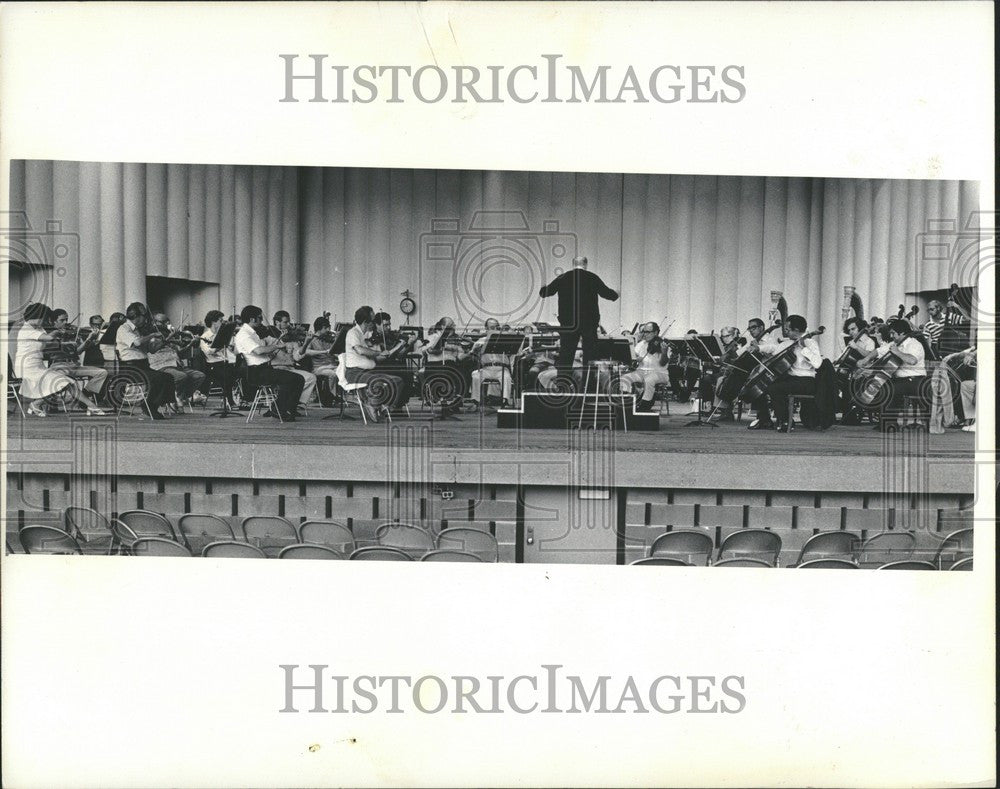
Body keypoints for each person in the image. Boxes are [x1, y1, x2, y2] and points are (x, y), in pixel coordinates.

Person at [14, 303, 105, 416]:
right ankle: (92, 406)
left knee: (67, 383)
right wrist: (58, 333)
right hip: (27, 367)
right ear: (36, 316)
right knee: (63, 382)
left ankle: (91, 406)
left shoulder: (38, 328)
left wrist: (77, 341)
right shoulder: (26, 330)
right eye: (43, 318)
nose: (44, 321)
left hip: (38, 365)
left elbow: (51, 343)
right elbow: (49, 338)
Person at [538, 256, 619, 374]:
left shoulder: (563, 277)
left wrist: (543, 287)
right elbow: (607, 294)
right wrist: (616, 294)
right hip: (589, 323)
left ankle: (563, 384)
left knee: (566, 354)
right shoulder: (592, 277)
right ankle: (588, 387)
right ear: (586, 265)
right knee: (590, 355)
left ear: (573, 264)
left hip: (568, 323)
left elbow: (545, 293)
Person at [748, 314, 823, 432]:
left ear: (796, 330)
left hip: (806, 381)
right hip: (791, 379)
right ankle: (765, 419)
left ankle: (786, 420)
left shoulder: (810, 343)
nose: (785, 331)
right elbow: (773, 348)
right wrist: (759, 348)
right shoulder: (787, 343)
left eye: (788, 329)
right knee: (763, 384)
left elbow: (818, 363)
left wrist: (803, 348)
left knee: (775, 388)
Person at [855, 318, 928, 431]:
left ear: (902, 332)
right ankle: (885, 422)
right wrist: (865, 360)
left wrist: (897, 352)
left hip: (915, 380)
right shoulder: (895, 344)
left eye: (893, 333)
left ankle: (889, 424)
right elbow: (878, 351)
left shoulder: (914, 344)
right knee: (875, 385)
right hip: (901, 380)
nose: (892, 336)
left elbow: (912, 360)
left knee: (888, 388)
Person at [234, 305, 304, 421]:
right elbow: (258, 350)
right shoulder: (244, 335)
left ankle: (286, 409)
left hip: (264, 368)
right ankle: (279, 409)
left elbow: (261, 354)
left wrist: (272, 352)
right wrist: (277, 345)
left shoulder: (252, 333)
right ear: (252, 319)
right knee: (292, 379)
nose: (262, 320)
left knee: (298, 379)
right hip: (256, 372)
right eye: (260, 318)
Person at [116, 302, 177, 419]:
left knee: (168, 377)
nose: (146, 320)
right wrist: (152, 334)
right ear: (137, 317)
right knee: (157, 378)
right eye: (144, 317)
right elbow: (137, 342)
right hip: (130, 368)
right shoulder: (124, 328)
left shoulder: (139, 330)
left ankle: (153, 405)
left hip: (143, 365)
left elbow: (152, 350)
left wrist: (166, 339)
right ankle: (148, 405)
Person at [343, 306, 409, 413]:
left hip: (368, 372)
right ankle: (372, 404)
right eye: (372, 321)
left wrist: (395, 349)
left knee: (398, 380)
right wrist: (379, 352)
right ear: (366, 322)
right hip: (355, 373)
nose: (374, 324)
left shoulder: (364, 335)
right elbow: (360, 350)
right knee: (380, 382)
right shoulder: (353, 333)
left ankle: (385, 407)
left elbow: (377, 357)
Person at [47, 308, 110, 403]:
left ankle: (86, 393)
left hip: (74, 366)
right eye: (62, 320)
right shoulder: (50, 335)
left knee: (102, 372)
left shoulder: (71, 333)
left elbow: (78, 352)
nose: (65, 323)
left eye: (66, 320)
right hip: (59, 367)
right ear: (54, 322)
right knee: (64, 381)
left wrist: (88, 340)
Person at [148, 313, 206, 408]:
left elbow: (180, 353)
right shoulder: (152, 336)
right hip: (162, 366)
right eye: (163, 322)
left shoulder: (171, 337)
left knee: (199, 376)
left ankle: (180, 396)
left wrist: (190, 344)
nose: (167, 324)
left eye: (168, 321)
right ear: (155, 323)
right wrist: (169, 337)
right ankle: (173, 397)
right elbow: (153, 348)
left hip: (177, 365)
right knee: (181, 376)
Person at [619, 322, 672, 412]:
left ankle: (645, 406)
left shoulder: (663, 345)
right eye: (643, 332)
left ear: (656, 333)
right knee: (625, 377)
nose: (645, 334)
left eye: (648, 332)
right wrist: (634, 358)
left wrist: (664, 352)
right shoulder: (641, 344)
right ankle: (627, 402)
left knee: (649, 379)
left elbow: (663, 363)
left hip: (660, 373)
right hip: (641, 372)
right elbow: (633, 357)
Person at [271, 311, 317, 410]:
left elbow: (296, 357)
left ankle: (294, 403)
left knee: (311, 378)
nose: (288, 325)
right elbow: (268, 356)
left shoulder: (292, 337)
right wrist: (279, 340)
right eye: (285, 322)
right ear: (277, 322)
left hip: (290, 368)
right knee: (294, 380)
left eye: (288, 322)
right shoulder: (270, 337)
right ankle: (286, 405)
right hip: (276, 368)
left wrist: (305, 343)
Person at [836, 317, 876, 425]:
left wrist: (856, 347)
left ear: (860, 328)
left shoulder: (869, 341)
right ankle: (838, 412)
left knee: (849, 384)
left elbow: (870, 355)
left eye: (853, 329)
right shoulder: (852, 341)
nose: (851, 332)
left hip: (864, 373)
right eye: (849, 330)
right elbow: (844, 357)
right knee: (832, 382)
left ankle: (852, 415)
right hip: (851, 371)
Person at [469, 318, 514, 406]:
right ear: (486, 328)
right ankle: (476, 400)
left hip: (502, 369)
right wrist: (475, 350)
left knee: (507, 377)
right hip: (486, 369)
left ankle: (505, 400)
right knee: (475, 375)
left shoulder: (504, 340)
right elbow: (472, 356)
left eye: (496, 327)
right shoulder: (481, 340)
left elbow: (513, 352)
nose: (495, 329)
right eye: (492, 327)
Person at [199, 310, 239, 409]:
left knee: (239, 371)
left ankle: (237, 398)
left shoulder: (225, 334)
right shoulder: (204, 337)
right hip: (212, 365)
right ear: (213, 322)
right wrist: (221, 346)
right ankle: (230, 400)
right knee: (227, 373)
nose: (223, 323)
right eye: (221, 321)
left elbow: (235, 353)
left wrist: (232, 347)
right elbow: (208, 351)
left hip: (226, 362)